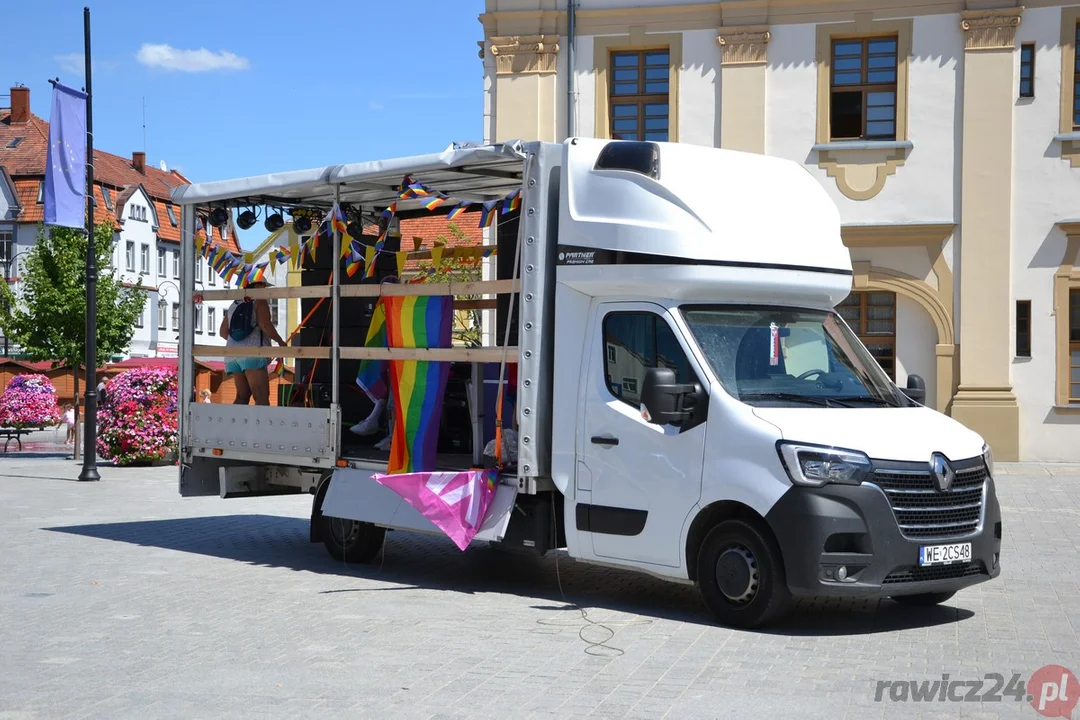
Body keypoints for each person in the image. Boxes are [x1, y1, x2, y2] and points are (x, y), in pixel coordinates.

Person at [219, 279, 287, 406]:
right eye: (264, 286)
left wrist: (238, 343)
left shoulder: (234, 304)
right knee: (261, 396)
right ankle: (262, 426)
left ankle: (236, 425)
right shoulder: (259, 302)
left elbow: (223, 332)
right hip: (253, 353)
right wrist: (280, 342)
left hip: (232, 355)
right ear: (258, 285)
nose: (265, 290)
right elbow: (265, 325)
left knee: (242, 397)